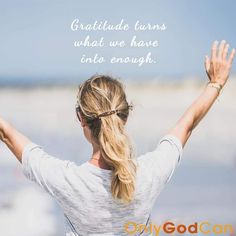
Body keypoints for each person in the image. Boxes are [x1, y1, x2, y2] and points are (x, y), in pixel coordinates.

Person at [0, 40, 235, 236]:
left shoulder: (68, 181)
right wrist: (216, 83)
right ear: (125, 115)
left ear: (80, 118)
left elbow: (7, 134)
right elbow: (188, 124)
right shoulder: (148, 174)